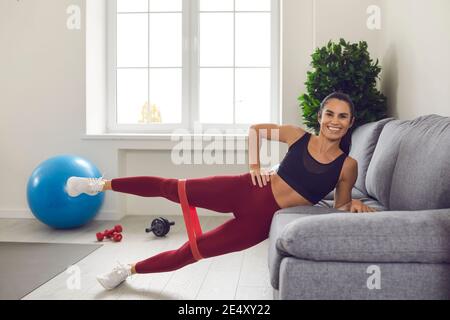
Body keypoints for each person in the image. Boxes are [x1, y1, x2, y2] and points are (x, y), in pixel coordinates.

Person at [66, 92, 377, 290]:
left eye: (343, 116)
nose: (334, 121)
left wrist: (356, 205)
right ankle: (99, 185)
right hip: (244, 190)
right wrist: (255, 167)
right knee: (170, 187)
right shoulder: (297, 136)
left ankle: (128, 269)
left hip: (257, 224)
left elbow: (340, 206)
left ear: (350, 123)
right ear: (320, 116)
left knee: (192, 252)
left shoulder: (347, 166)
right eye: (330, 114)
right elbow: (256, 130)